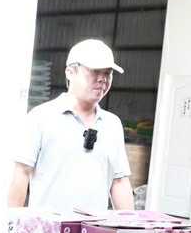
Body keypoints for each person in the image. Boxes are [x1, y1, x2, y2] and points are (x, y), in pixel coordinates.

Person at [8, 38, 135, 213]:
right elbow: (20, 175)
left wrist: (131, 230)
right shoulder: (41, 117)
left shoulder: (112, 124)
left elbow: (119, 181)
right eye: (95, 71)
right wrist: (9, 229)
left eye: (107, 73)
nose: (102, 79)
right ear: (70, 72)